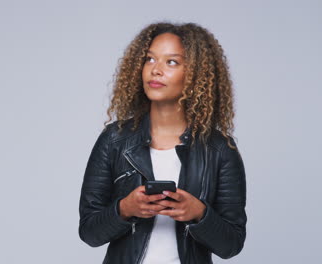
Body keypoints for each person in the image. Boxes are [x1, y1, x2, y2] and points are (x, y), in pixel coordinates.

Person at [78, 21, 247, 264]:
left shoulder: (219, 149)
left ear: (196, 74)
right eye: (149, 59)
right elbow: (89, 232)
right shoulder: (114, 140)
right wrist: (125, 209)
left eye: (171, 62)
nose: (155, 70)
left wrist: (199, 213)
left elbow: (232, 244)